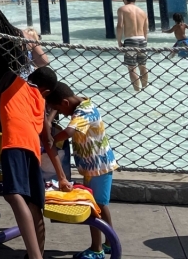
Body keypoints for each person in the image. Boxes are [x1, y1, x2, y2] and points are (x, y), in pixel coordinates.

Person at [0, 66, 71, 259]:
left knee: (14, 195)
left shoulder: (11, 78)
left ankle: (35, 256)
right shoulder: (39, 98)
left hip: (14, 142)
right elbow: (48, 139)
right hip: (33, 148)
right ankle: (38, 254)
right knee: (34, 204)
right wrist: (61, 176)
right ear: (45, 91)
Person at [48, 82, 118, 259]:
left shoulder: (82, 113)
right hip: (95, 166)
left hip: (98, 167)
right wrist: (50, 116)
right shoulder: (85, 102)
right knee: (101, 205)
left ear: (65, 102)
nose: (63, 114)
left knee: (95, 207)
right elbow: (61, 104)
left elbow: (70, 132)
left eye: (61, 110)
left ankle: (97, 249)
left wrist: (51, 140)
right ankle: (109, 242)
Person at [115, 0, 149, 92]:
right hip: (142, 40)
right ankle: (144, 89)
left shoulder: (122, 9)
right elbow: (145, 30)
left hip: (130, 41)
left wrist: (119, 41)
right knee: (143, 66)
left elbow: (120, 26)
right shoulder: (142, 12)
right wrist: (145, 42)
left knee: (132, 68)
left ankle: (137, 92)